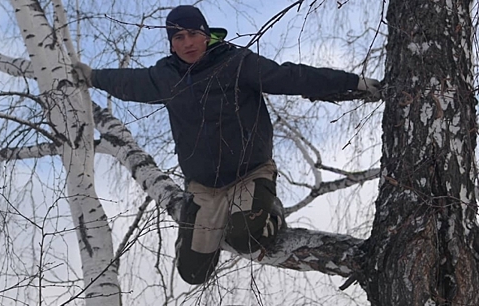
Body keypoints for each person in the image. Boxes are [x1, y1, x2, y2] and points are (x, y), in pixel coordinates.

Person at [73, 5, 381, 285]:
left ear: (206, 35)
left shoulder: (236, 63)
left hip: (250, 174)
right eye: (178, 37)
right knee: (192, 274)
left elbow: (292, 77)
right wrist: (92, 76)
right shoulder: (165, 78)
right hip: (204, 188)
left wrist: (351, 83)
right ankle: (193, 224)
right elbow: (126, 83)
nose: (187, 43)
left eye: (193, 34)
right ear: (171, 43)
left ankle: (270, 210)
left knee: (247, 239)